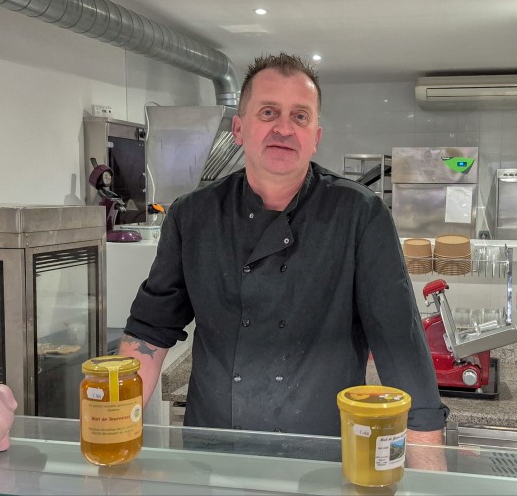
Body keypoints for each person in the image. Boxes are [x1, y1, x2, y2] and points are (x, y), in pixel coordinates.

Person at [119, 52, 449, 449]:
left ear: (316, 137)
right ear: (239, 129)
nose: (284, 128)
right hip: (215, 452)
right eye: (268, 112)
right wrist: (117, 436)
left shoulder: (360, 215)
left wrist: (429, 471)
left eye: (300, 116)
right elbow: (150, 331)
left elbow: (400, 345)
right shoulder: (193, 215)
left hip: (325, 454)